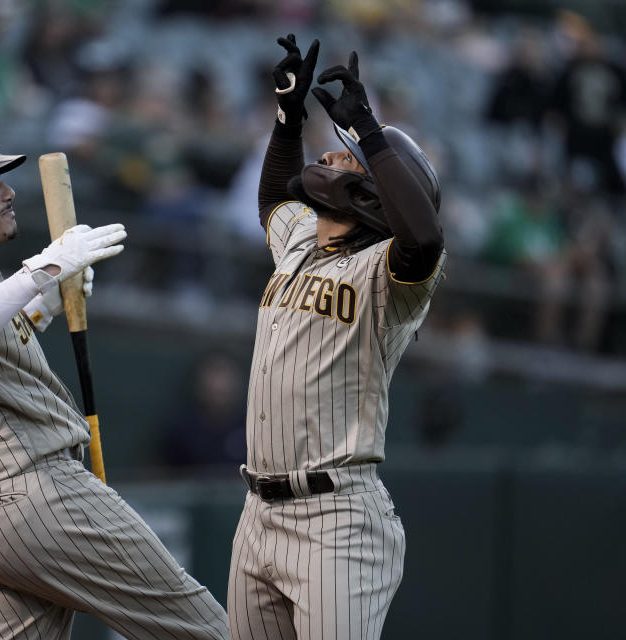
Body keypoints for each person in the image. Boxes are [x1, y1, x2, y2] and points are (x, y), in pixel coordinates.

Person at [0, 129, 228, 640]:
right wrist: (42, 268)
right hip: (33, 491)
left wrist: (38, 308)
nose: (8, 192)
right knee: (202, 627)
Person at [227, 35, 446, 640]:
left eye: (344, 157)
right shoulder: (302, 243)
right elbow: (274, 194)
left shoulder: (388, 274)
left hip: (338, 516)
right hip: (257, 513)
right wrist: (287, 116)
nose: (329, 155)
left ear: (376, 189)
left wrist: (371, 135)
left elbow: (424, 241)